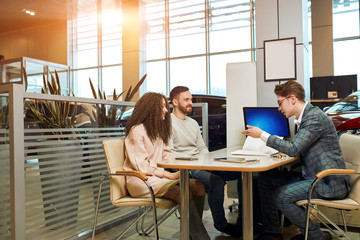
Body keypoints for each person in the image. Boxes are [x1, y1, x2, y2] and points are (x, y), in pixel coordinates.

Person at [242, 80, 350, 240]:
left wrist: (262, 135)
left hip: (329, 182)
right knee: (265, 179)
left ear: (292, 99)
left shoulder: (314, 117)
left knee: (281, 196)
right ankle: (273, 233)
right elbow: (299, 149)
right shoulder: (303, 119)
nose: (279, 108)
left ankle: (317, 236)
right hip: (313, 176)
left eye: (280, 103)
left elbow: (294, 148)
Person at [168, 86, 263, 237]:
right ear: (175, 102)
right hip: (188, 167)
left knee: (242, 173)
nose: (190, 102)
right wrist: (197, 164)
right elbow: (170, 154)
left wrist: (208, 164)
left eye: (191, 99)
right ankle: (220, 224)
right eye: (186, 99)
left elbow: (202, 147)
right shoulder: (168, 123)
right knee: (217, 182)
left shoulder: (192, 123)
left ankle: (244, 219)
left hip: (201, 164)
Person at [123, 92, 210, 240]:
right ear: (150, 108)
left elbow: (167, 154)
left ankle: (191, 235)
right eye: (162, 106)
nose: (165, 110)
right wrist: (168, 174)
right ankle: (201, 238)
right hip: (141, 180)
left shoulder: (156, 131)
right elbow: (142, 166)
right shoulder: (137, 131)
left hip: (156, 179)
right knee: (182, 192)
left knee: (198, 185)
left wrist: (179, 167)